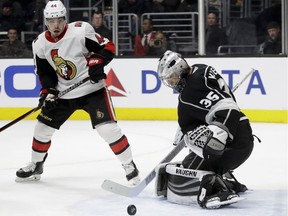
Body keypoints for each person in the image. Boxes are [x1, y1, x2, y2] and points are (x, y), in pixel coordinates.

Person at [15, 0, 140, 185]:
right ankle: (36, 164)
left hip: (92, 89)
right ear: (46, 22)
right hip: (63, 94)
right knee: (42, 129)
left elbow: (108, 47)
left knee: (107, 130)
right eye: (51, 21)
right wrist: (47, 92)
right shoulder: (39, 44)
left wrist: (97, 62)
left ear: (65, 18)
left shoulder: (81, 30)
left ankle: (129, 165)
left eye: (59, 20)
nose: (56, 25)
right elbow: (45, 72)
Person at [155, 50, 255, 209]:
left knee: (190, 173)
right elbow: (210, 107)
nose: (172, 83)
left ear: (180, 68)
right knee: (188, 164)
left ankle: (218, 190)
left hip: (233, 140)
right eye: (168, 80)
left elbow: (229, 109)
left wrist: (218, 134)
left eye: (172, 78)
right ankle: (226, 183)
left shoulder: (189, 92)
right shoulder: (201, 69)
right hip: (242, 135)